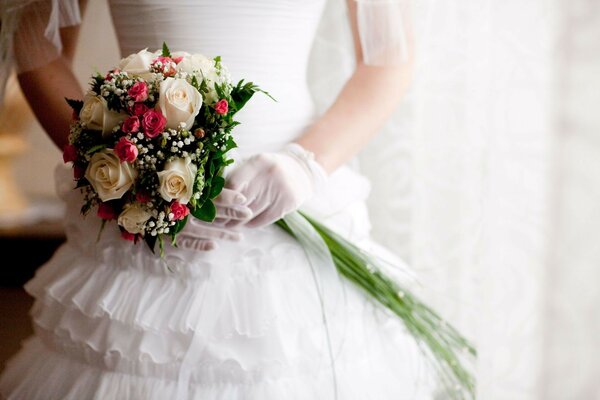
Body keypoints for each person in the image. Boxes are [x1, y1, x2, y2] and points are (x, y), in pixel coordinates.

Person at [0, 0, 442, 398]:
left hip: (293, 211)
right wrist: (126, 176)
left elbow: (387, 59)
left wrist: (304, 164)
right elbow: (37, 46)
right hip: (144, 225)